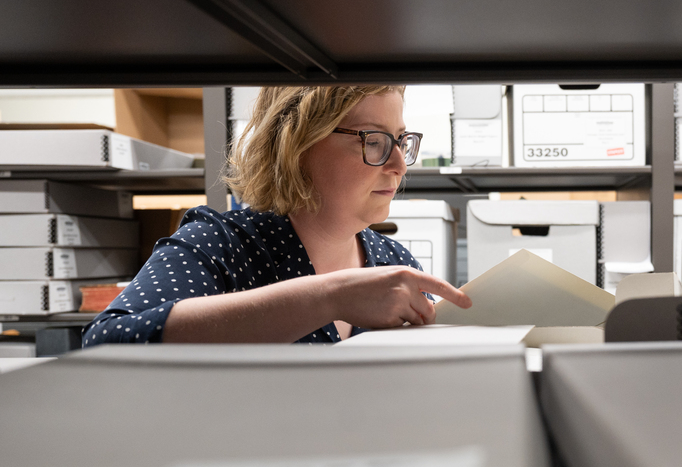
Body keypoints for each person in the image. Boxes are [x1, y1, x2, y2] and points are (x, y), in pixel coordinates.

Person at [83, 85, 471, 346]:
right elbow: (107, 342)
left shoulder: (394, 262)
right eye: (374, 141)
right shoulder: (219, 244)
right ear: (296, 143)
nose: (400, 165)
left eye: (401, 141)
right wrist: (328, 297)